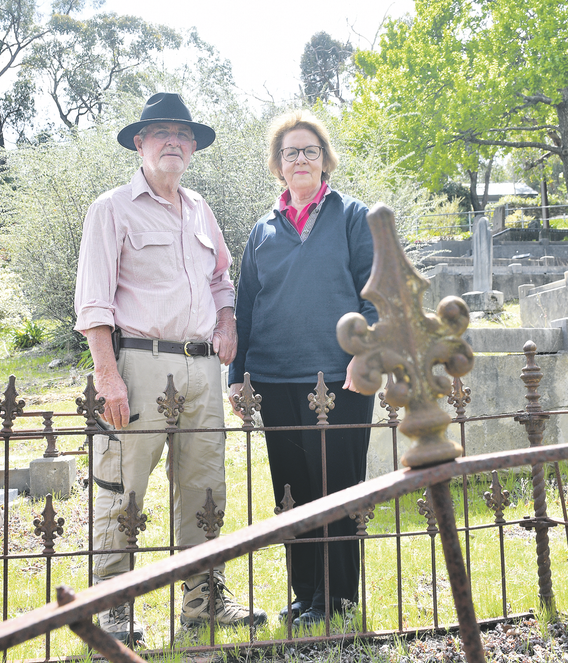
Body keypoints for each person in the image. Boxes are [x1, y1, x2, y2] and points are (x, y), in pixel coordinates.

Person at [74, 92, 267, 645]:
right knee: (121, 485)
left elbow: (221, 280)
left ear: (193, 147)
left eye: (183, 135)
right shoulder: (111, 208)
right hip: (140, 363)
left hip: (202, 368)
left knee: (204, 484)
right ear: (140, 143)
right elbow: (94, 302)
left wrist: (226, 322)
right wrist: (107, 376)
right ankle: (112, 606)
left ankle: (204, 600)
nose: (173, 143)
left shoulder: (200, 208)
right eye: (161, 133)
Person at [228, 109, 376, 629]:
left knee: (338, 488)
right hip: (274, 377)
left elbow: (376, 289)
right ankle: (307, 592)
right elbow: (246, 306)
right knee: (293, 492)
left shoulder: (352, 216)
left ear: (324, 158)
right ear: (278, 164)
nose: (300, 159)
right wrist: (238, 376)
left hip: (342, 376)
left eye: (309, 150)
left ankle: (337, 599)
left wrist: (366, 352)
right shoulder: (263, 230)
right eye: (290, 152)